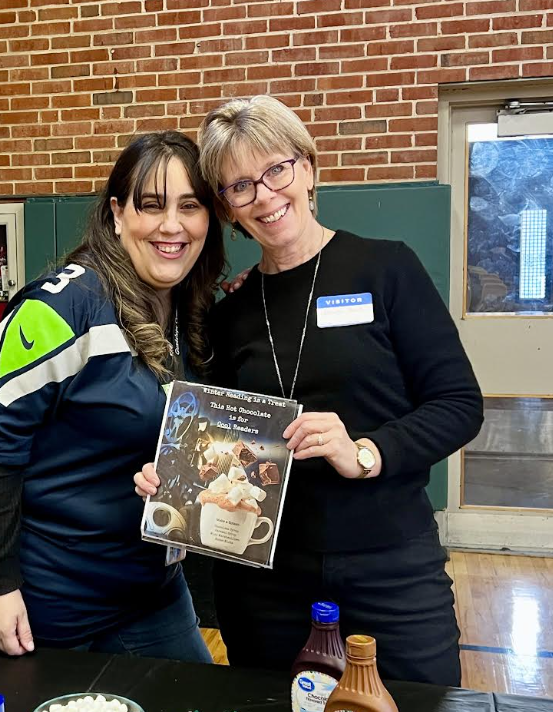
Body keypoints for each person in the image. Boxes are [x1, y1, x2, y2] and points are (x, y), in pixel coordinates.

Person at [134, 96, 483, 686]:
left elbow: (459, 404)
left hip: (389, 564)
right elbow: (214, 439)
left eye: (277, 169)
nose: (265, 195)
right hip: (263, 577)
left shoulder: (386, 270)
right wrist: (175, 476)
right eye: (240, 186)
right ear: (227, 208)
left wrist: (366, 451)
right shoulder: (229, 313)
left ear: (309, 169)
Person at [0, 131, 226, 661]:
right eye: (151, 205)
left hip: (150, 589)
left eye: (190, 206)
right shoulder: (63, 308)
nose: (172, 225)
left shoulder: (191, 310)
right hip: (49, 601)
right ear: (117, 214)